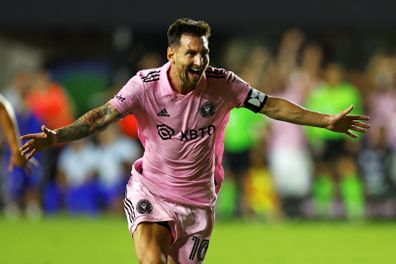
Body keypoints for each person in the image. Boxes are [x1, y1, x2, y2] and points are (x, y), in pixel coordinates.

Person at [20, 18, 370, 264]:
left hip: (199, 202)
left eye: (204, 53)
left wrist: (325, 120)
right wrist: (57, 137)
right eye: (191, 53)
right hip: (152, 191)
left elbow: (271, 105)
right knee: (152, 260)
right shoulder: (144, 85)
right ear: (172, 54)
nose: (200, 61)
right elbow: (101, 116)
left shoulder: (224, 84)